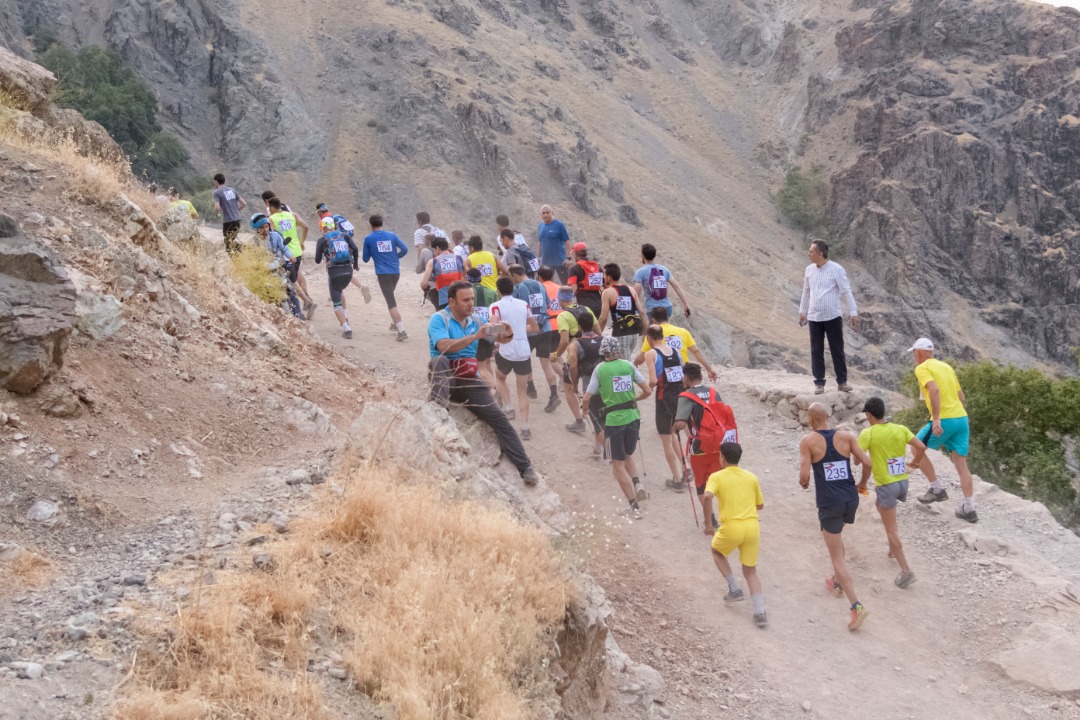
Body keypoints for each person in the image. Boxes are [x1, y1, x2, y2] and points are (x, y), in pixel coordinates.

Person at [428, 281, 540, 486]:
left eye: (472, 299)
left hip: (468, 379)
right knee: (439, 361)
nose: (471, 303)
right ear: (452, 302)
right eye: (465, 300)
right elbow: (443, 346)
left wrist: (507, 332)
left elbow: (501, 340)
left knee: (499, 418)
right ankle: (437, 414)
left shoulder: (476, 321)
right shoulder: (439, 319)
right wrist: (475, 336)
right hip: (445, 375)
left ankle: (525, 467)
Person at [798, 402, 872, 631]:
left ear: (811, 419)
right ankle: (836, 582)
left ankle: (856, 606)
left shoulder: (808, 441)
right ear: (827, 416)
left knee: (836, 556)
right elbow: (867, 463)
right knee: (837, 539)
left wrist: (804, 483)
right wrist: (862, 484)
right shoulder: (847, 437)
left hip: (829, 503)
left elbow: (804, 476)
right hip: (850, 498)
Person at [580, 336, 652, 518]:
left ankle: (634, 508)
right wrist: (634, 399)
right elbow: (648, 390)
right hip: (633, 417)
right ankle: (637, 483)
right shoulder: (628, 365)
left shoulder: (600, 369)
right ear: (617, 350)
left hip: (614, 420)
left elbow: (587, 397)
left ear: (603, 352)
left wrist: (585, 410)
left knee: (616, 464)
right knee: (627, 454)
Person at [907, 338, 978, 522]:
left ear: (920, 352)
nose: (914, 356)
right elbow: (961, 396)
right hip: (961, 418)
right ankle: (969, 508)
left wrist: (937, 418)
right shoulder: (947, 367)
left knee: (915, 446)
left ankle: (936, 489)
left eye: (914, 352)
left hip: (945, 418)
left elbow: (934, 390)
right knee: (961, 463)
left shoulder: (922, 368)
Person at [858, 396, 925, 588]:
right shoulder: (900, 428)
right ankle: (891, 549)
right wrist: (915, 463)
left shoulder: (868, 433)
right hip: (902, 482)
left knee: (891, 528)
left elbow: (858, 459)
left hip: (886, 485)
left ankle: (906, 571)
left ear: (869, 415)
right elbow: (921, 446)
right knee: (880, 506)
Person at [703, 442, 767, 628]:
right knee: (750, 570)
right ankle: (760, 611)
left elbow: (707, 496)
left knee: (717, 551)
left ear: (722, 458)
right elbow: (760, 505)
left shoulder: (716, 477)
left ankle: (734, 588)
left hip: (731, 526)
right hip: (752, 526)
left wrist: (708, 524)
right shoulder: (751, 477)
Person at [673, 363, 736, 532]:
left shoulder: (686, 396)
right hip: (720, 445)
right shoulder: (714, 392)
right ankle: (729, 516)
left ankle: (711, 519)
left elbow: (681, 423)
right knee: (720, 481)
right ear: (701, 377)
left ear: (686, 378)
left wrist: (674, 427)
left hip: (700, 446)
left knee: (702, 485)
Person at [799, 239, 859, 395]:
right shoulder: (809, 270)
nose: (809, 254)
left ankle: (842, 382)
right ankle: (819, 383)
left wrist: (853, 312)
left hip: (832, 316)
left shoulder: (836, 269)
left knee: (837, 350)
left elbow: (846, 291)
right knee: (816, 351)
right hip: (814, 316)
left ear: (820, 253)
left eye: (811, 251)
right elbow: (806, 291)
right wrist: (802, 311)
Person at [491, 277, 540, 439]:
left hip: (506, 350)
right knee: (522, 390)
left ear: (498, 291)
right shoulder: (523, 304)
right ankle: (525, 427)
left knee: (500, 377)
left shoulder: (496, 306)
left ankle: (509, 407)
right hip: (523, 351)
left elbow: (494, 331)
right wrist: (518, 328)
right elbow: (535, 328)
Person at [509, 264, 561, 412]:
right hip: (545, 328)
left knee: (525, 359)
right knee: (546, 363)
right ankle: (554, 394)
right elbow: (548, 304)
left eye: (511, 277)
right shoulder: (540, 285)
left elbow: (515, 308)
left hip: (528, 330)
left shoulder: (518, 288)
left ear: (515, 276)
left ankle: (531, 387)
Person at [643, 324, 686, 492]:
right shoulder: (675, 351)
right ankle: (685, 469)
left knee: (666, 439)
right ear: (662, 336)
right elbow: (683, 374)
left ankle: (677, 479)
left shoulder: (651, 354)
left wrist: (645, 391)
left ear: (648, 338)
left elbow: (653, 381)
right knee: (673, 434)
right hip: (679, 397)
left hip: (663, 399)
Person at [552, 287, 599, 434]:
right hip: (592, 354)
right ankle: (598, 419)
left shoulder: (563, 316)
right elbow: (598, 332)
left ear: (561, 299)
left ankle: (579, 421)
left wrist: (556, 355)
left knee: (569, 388)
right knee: (594, 386)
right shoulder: (587, 309)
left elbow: (564, 341)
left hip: (574, 355)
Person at [362, 214, 410, 342]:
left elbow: (365, 259)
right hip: (396, 272)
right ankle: (395, 323)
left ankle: (401, 330)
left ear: (371, 225)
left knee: (390, 302)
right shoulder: (392, 235)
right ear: (382, 223)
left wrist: (373, 252)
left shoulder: (368, 238)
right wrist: (396, 257)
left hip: (383, 274)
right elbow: (405, 249)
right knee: (391, 297)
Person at [267, 197, 315, 318]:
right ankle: (305, 302)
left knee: (290, 282)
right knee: (292, 280)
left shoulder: (271, 219)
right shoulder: (293, 215)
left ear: (271, 207)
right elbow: (306, 227)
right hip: (297, 252)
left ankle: (305, 303)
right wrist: (302, 241)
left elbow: (271, 236)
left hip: (286, 254)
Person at [565, 312, 605, 458]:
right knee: (605, 415)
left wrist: (574, 383)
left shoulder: (575, 345)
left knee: (596, 419)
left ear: (579, 326)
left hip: (590, 385)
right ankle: (597, 447)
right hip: (606, 382)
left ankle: (607, 449)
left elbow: (573, 366)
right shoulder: (603, 340)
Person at [635, 307, 717, 377]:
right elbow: (696, 351)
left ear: (653, 320)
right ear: (667, 317)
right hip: (684, 370)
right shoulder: (683, 331)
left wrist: (634, 364)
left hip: (665, 373)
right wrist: (709, 369)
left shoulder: (653, 334)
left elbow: (641, 357)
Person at [315, 202, 371, 304]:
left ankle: (336, 292)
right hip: (346, 243)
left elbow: (325, 237)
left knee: (334, 268)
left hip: (334, 247)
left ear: (319, 212)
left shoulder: (324, 221)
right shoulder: (337, 216)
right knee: (343, 266)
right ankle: (361, 287)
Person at [314, 216, 360, 339]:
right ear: (334, 226)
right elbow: (355, 249)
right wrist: (355, 265)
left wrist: (324, 254)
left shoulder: (322, 240)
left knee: (336, 303)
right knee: (341, 292)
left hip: (334, 273)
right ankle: (346, 317)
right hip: (348, 272)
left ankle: (347, 328)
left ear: (322, 227)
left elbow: (317, 260)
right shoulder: (344, 235)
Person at [250, 213, 302, 319]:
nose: (265, 229)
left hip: (278, 269)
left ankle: (298, 316)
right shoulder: (253, 242)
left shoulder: (275, 236)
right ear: (256, 229)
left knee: (292, 291)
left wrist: (291, 256)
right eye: (262, 228)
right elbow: (252, 259)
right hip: (264, 273)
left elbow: (284, 248)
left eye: (266, 226)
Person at [633, 243, 691, 321]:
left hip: (653, 309)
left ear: (642, 256)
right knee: (666, 328)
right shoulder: (664, 269)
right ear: (654, 255)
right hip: (667, 307)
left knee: (653, 329)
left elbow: (637, 289)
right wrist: (686, 304)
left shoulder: (641, 272)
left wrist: (634, 309)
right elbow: (676, 286)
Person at [598, 263, 643, 361]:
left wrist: (597, 335)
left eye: (604, 275)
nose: (603, 277)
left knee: (624, 364)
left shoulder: (608, 292)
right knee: (626, 360)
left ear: (609, 278)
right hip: (634, 334)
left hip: (621, 333)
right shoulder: (631, 290)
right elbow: (641, 312)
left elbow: (603, 318)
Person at [467, 268, 499, 385]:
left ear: (467, 279)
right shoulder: (492, 293)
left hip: (474, 331)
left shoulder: (467, 294)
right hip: (490, 331)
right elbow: (496, 315)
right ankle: (493, 387)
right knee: (488, 363)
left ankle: (495, 389)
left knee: (480, 366)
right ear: (480, 279)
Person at [420, 237, 465, 310]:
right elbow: (467, 277)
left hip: (444, 299)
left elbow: (423, 284)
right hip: (460, 297)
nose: (434, 253)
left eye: (434, 250)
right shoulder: (460, 258)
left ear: (437, 248)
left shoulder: (433, 261)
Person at [212, 173, 247, 255]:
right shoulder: (232, 190)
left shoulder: (217, 192)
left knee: (228, 244)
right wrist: (237, 211)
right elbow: (244, 203)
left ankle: (243, 248)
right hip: (238, 220)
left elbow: (217, 208)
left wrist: (218, 216)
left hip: (228, 222)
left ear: (216, 181)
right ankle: (242, 253)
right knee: (230, 241)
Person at [567, 242, 604, 318]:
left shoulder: (574, 269)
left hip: (584, 304)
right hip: (598, 304)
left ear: (575, 254)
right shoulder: (597, 267)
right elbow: (605, 285)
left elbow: (573, 289)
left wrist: (568, 304)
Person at [537, 205, 571, 283]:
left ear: (552, 212)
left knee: (566, 283)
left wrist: (568, 258)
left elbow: (567, 241)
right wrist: (538, 257)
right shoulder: (540, 226)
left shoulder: (560, 225)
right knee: (545, 284)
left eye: (547, 212)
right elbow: (540, 242)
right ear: (541, 215)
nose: (545, 215)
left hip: (560, 261)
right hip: (545, 262)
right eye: (543, 213)